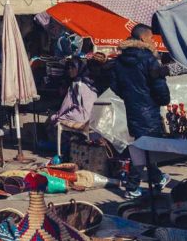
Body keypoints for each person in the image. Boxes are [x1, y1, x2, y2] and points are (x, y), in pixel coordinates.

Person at [111, 24, 170, 199]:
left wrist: (130, 97)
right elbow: (158, 84)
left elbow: (115, 84)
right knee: (143, 147)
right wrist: (162, 100)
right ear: (144, 38)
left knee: (144, 145)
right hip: (149, 108)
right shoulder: (149, 60)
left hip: (133, 108)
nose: (152, 40)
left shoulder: (120, 61)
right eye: (151, 37)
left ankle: (158, 178)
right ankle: (132, 186)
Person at [50, 56, 98, 129]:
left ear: (79, 69)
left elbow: (66, 105)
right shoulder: (91, 84)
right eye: (69, 68)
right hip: (92, 118)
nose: (70, 70)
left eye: (73, 68)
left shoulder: (76, 84)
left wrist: (57, 116)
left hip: (81, 118)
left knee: (53, 118)